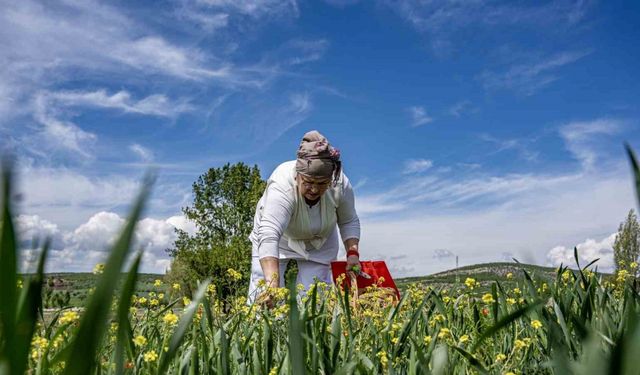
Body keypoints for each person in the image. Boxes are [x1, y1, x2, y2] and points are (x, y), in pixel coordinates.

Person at [247, 130, 361, 305]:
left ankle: (308, 331)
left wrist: (352, 253)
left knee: (315, 297)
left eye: (322, 184)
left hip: (320, 241)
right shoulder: (281, 184)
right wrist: (271, 284)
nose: (314, 190)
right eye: (308, 182)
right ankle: (266, 329)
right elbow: (270, 233)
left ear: (331, 179)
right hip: (278, 240)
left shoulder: (340, 185)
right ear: (297, 175)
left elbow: (348, 220)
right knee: (265, 292)